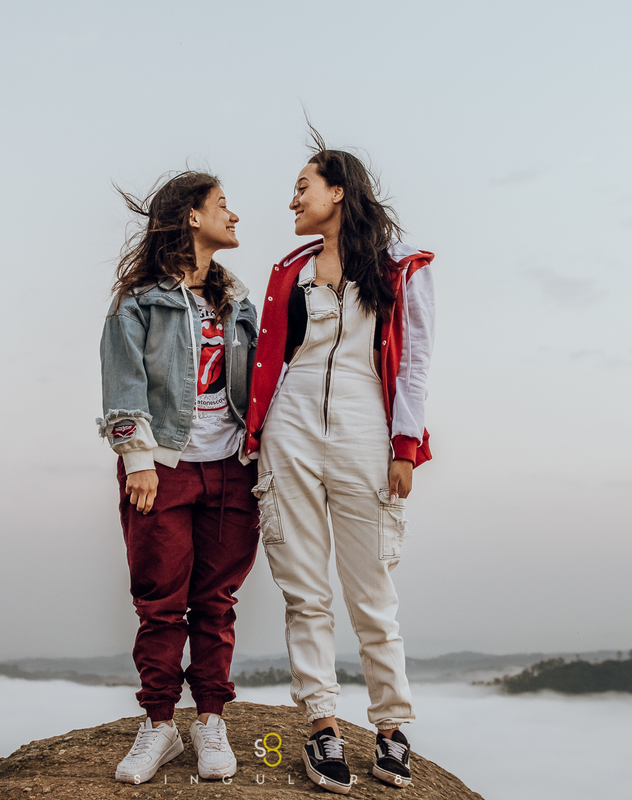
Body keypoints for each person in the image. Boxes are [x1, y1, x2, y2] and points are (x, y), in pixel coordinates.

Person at [244, 134, 434, 793]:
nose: (292, 198)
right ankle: (322, 724)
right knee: (304, 588)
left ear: (339, 191)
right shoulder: (287, 271)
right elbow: (270, 356)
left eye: (303, 185)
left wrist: (405, 446)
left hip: (364, 423)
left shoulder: (402, 266)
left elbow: (413, 366)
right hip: (289, 423)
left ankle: (391, 727)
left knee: (373, 588)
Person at [99, 171, 260, 784]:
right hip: (164, 467)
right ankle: (160, 724)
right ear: (192, 217)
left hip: (231, 469)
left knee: (216, 602)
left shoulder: (239, 302)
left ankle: (211, 719)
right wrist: (137, 457)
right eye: (224, 205)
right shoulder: (140, 299)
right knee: (161, 603)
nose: (234, 215)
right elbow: (123, 379)